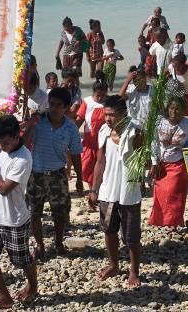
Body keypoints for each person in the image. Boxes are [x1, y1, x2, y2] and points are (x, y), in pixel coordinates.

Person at [0, 115, 37, 310]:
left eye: (5, 143)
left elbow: (4, 188)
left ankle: (33, 285)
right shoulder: (0, 149)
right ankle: (5, 297)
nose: (2, 146)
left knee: (22, 260)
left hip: (14, 219)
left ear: (16, 136)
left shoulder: (23, 158)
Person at [88, 96, 142, 286]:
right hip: (108, 190)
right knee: (109, 230)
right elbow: (100, 162)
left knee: (131, 236)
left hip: (129, 190)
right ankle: (114, 264)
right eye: (105, 115)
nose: (107, 119)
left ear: (123, 114)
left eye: (111, 115)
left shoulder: (136, 131)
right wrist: (94, 189)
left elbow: (146, 156)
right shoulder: (104, 131)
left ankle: (134, 271)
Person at [23, 87, 83, 259]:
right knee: (33, 212)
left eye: (59, 105)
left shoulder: (71, 128)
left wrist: (79, 178)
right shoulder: (38, 122)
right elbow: (25, 143)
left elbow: (75, 154)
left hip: (58, 174)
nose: (54, 108)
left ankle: (58, 242)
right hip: (36, 175)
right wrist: (31, 124)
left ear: (66, 107)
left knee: (60, 212)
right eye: (52, 104)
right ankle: (40, 245)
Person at [148, 97, 188, 228]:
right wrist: (154, 162)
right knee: (160, 194)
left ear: (182, 111)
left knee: (174, 194)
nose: (174, 112)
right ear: (167, 109)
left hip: (179, 164)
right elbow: (154, 142)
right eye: (171, 108)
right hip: (161, 164)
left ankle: (173, 223)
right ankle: (159, 221)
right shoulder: (160, 122)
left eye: (177, 109)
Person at [75, 75, 108, 202]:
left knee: (101, 170)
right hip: (89, 143)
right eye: (98, 95)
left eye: (102, 95)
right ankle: (92, 191)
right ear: (93, 92)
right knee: (87, 169)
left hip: (103, 144)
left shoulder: (109, 103)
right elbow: (79, 121)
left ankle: (95, 194)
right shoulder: (87, 102)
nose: (100, 98)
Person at [118, 66, 154, 132]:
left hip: (149, 125)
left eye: (137, 80)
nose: (135, 83)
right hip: (134, 125)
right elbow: (118, 98)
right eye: (134, 81)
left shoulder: (153, 90)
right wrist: (127, 81)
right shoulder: (132, 89)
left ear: (144, 79)